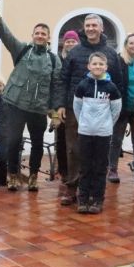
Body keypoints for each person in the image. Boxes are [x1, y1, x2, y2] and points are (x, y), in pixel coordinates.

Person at [0, 0, 62, 192]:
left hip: (38, 109)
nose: (40, 35)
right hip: (15, 104)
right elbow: (4, 34)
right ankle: (12, 175)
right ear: (33, 36)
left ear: (48, 38)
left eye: (43, 34)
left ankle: (33, 176)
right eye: (37, 33)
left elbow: (56, 87)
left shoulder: (54, 60)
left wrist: (55, 111)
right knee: (13, 142)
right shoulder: (21, 49)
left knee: (37, 144)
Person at [58, 14, 123, 206]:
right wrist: (61, 105)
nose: (91, 28)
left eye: (94, 25)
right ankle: (72, 190)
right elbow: (63, 79)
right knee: (73, 150)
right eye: (88, 25)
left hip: (102, 113)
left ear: (102, 28)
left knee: (97, 156)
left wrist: (114, 116)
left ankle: (95, 193)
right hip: (74, 110)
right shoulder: (75, 52)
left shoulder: (111, 54)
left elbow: (118, 83)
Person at [73, 52, 122, 214]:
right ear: (89, 66)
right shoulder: (82, 86)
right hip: (85, 132)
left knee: (100, 167)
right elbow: (77, 107)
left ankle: (97, 199)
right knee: (85, 166)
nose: (97, 67)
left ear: (106, 67)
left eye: (101, 64)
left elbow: (116, 110)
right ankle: (83, 198)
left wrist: (107, 124)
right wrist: (84, 123)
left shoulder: (111, 87)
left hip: (103, 133)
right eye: (94, 64)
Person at [108, 33, 134, 185]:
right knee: (116, 140)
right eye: (131, 43)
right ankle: (112, 169)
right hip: (122, 108)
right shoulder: (119, 61)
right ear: (126, 45)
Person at [55, 31, 80, 180]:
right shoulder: (58, 59)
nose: (70, 43)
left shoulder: (79, 59)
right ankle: (63, 171)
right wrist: (54, 110)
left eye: (73, 41)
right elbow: (55, 85)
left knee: (73, 140)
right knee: (60, 139)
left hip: (73, 106)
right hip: (57, 107)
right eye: (67, 41)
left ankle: (73, 171)